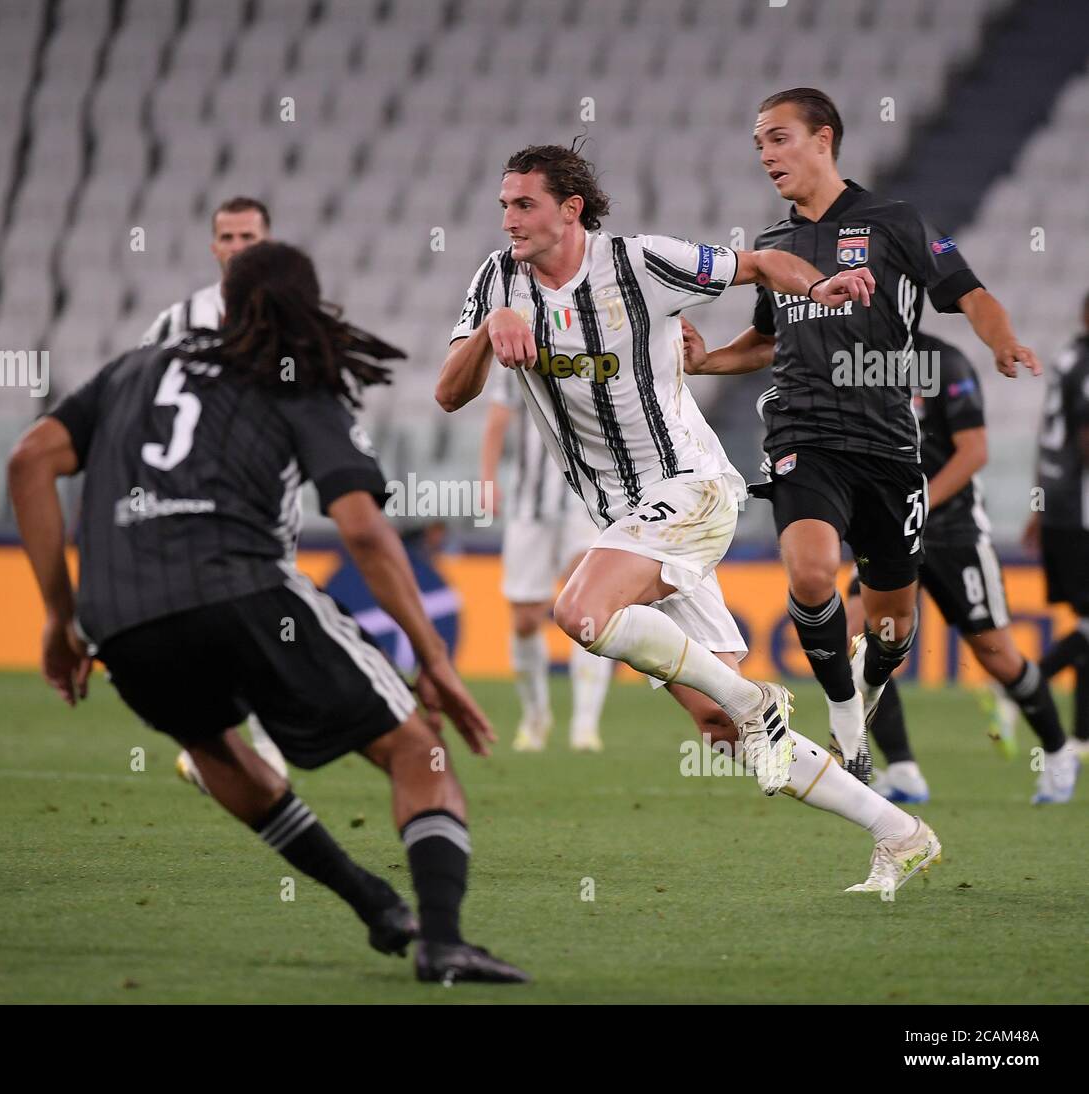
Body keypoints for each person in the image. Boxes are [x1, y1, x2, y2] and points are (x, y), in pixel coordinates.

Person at [9, 241, 527, 984]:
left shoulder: (134, 367)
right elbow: (361, 526)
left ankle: (372, 902)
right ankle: (441, 940)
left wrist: (62, 619)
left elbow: (28, 461)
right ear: (309, 309)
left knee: (217, 749)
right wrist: (434, 662)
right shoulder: (298, 377)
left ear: (224, 306)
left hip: (120, 615)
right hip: (240, 588)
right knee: (419, 750)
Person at [437, 142, 939, 895]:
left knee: (579, 611)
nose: (508, 218)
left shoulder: (643, 263)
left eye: (524, 204)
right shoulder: (497, 278)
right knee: (716, 727)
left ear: (570, 209)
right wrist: (489, 329)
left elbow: (764, 267)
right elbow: (449, 394)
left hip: (689, 487)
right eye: (504, 203)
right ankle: (899, 832)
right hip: (624, 517)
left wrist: (823, 284)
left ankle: (756, 700)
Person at [684, 87, 1041, 789]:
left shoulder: (895, 221)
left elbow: (971, 292)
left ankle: (865, 682)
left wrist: (1003, 341)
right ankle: (846, 717)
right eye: (759, 143)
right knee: (813, 575)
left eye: (778, 138)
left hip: (886, 445)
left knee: (891, 631)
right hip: (802, 431)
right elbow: (765, 339)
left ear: (823, 139)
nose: (765, 154)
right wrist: (707, 361)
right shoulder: (773, 244)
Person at [837, 331, 1077, 805]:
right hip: (888, 532)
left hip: (953, 530)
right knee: (861, 646)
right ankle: (904, 769)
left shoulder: (945, 363)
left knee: (997, 655)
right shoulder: (853, 357)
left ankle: (1056, 749)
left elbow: (974, 452)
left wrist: (917, 503)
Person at [138, 195, 288, 780]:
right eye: (228, 238)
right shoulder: (177, 322)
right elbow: (137, 395)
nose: (238, 249)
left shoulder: (294, 321)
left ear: (267, 244)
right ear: (213, 246)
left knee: (263, 619)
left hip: (267, 502)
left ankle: (259, 755)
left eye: (249, 238)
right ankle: (228, 749)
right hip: (192, 499)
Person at [480, 365, 612, 751]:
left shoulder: (597, 346)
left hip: (585, 502)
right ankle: (536, 716)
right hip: (529, 506)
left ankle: (585, 726)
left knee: (589, 607)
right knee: (524, 619)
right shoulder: (519, 352)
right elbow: (498, 417)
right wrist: (487, 480)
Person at [1026, 290, 1089, 757]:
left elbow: (1053, 437)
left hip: (1059, 505)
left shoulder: (1069, 359)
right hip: (1079, 508)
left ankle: (1083, 735)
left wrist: (1037, 504)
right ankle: (1026, 685)